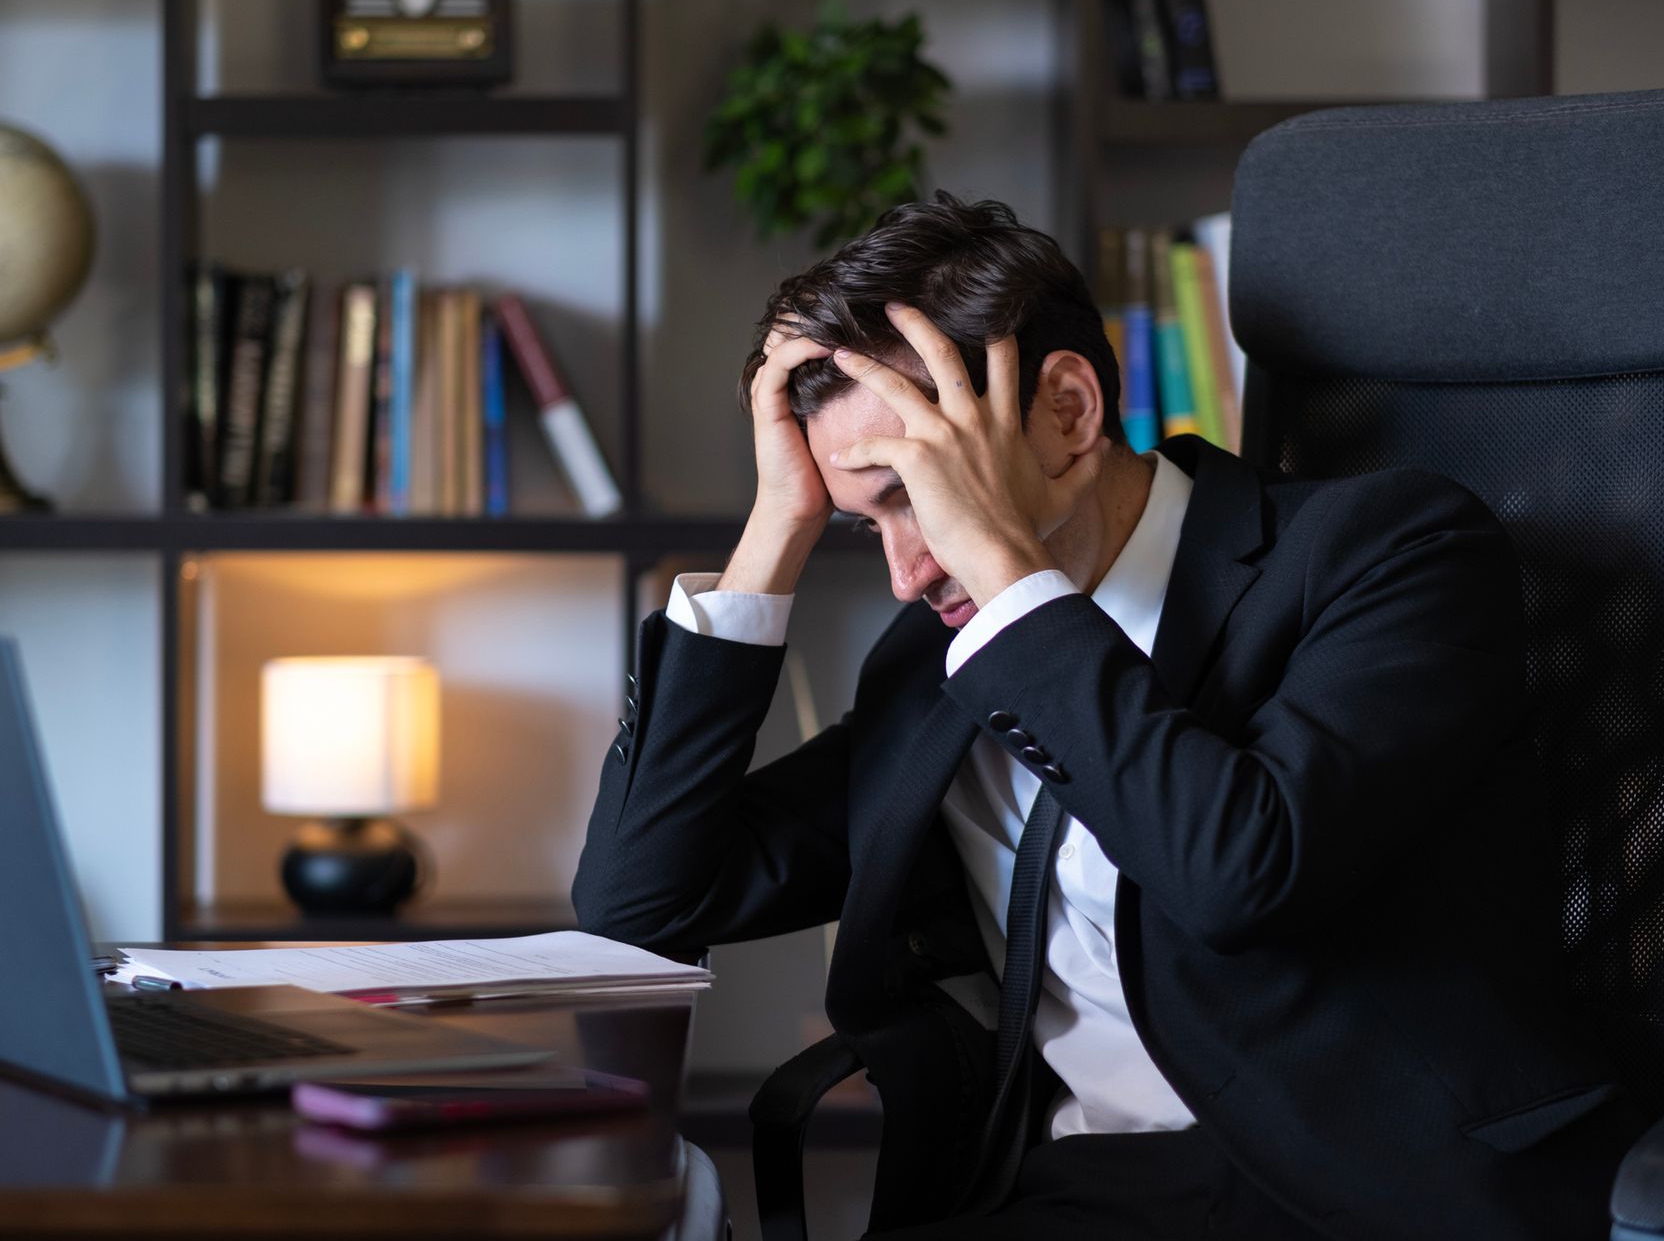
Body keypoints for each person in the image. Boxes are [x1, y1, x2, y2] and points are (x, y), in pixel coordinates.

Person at [572, 192, 1631, 1240]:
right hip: (1078, 1189)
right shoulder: (938, 657)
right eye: (864, 521)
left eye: (915, 491)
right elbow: (642, 900)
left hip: (1356, 1193)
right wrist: (776, 530)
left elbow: (1237, 873)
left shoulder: (1388, 552)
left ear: (1070, 412)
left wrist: (1011, 582)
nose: (904, 572)